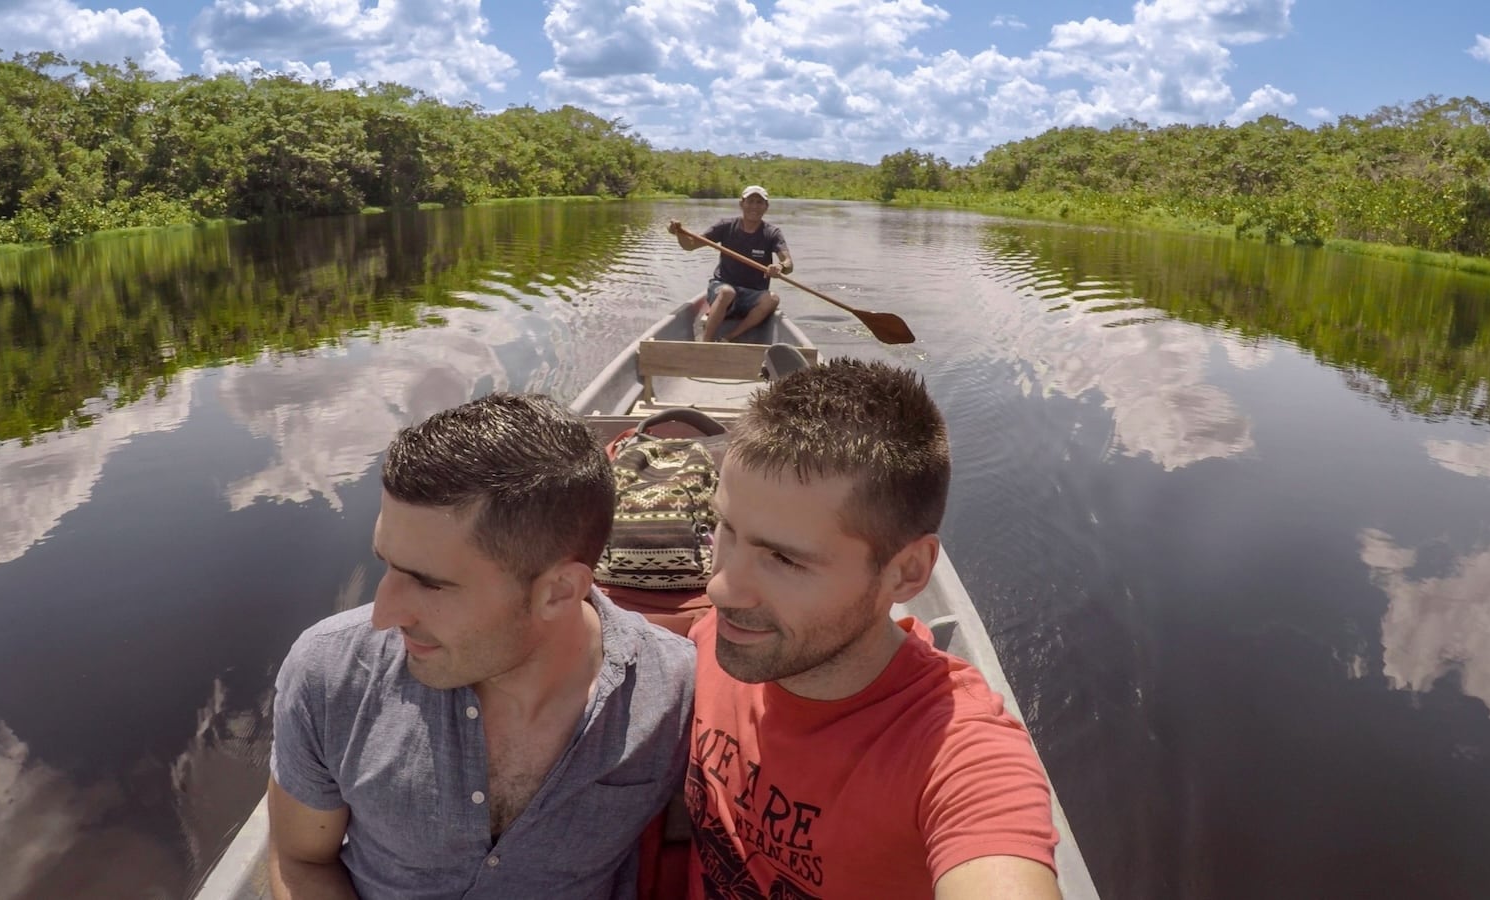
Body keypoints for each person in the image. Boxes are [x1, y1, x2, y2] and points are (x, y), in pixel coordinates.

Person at [266, 393, 696, 900]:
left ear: (557, 591)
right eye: (387, 562)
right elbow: (300, 859)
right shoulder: (330, 673)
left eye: (430, 583)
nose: (383, 614)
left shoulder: (677, 694)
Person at [685, 359, 1062, 899]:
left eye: (785, 560)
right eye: (724, 528)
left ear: (906, 572)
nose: (719, 590)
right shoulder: (718, 640)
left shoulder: (955, 755)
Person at [668, 185, 793, 343]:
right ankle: (706, 343)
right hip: (721, 288)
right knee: (727, 292)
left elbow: (788, 263)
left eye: (759, 202)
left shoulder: (772, 233)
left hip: (752, 295)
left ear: (766, 207)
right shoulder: (726, 226)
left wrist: (780, 267)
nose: (754, 206)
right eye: (750, 201)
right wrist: (679, 232)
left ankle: (729, 337)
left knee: (773, 299)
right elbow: (690, 245)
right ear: (742, 204)